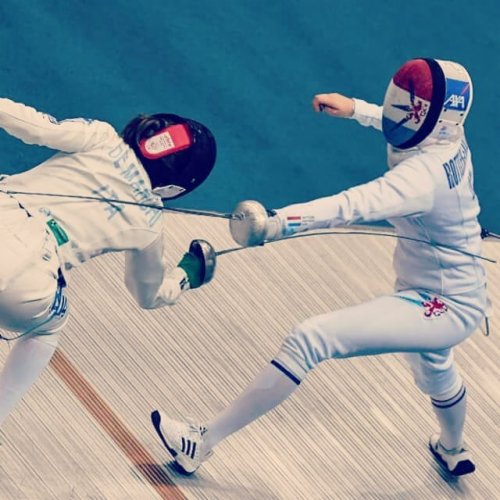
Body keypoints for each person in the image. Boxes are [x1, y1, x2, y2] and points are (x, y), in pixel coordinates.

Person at [151, 58, 488, 477]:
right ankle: (452, 448)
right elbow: (398, 122)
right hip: (450, 286)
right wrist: (357, 109)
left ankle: (201, 442)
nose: (401, 111)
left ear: (435, 120)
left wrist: (278, 223)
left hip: (444, 304)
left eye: (412, 107)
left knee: (311, 338)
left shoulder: (422, 177)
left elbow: (349, 206)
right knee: (435, 368)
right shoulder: (449, 137)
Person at [0, 97, 218, 427]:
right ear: (174, 188)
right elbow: (148, 295)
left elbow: (29, 124)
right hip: (25, 283)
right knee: (49, 327)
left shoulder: (100, 136)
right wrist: (184, 276)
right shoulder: (150, 221)